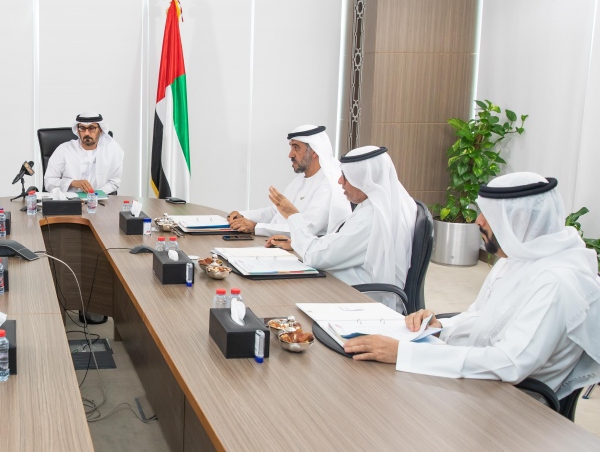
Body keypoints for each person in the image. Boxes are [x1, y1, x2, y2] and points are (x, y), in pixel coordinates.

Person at [344, 173, 600, 398]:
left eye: (489, 214)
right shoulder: (515, 260)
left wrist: (403, 353)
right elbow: (480, 318)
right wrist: (440, 327)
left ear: (518, 220)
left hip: (513, 404)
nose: (478, 221)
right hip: (479, 383)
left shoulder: (557, 282)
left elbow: (509, 363)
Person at [266, 146, 416, 288]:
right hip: (352, 284)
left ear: (364, 180)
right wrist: (297, 244)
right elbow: (337, 244)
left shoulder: (370, 218)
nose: (340, 181)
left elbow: (317, 257)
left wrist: (292, 215)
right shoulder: (384, 206)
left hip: (361, 295)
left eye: (346, 177)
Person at [227, 125, 350, 236]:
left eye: (296, 148)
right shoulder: (299, 181)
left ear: (314, 152)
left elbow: (306, 229)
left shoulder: (328, 185)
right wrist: (243, 216)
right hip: (278, 242)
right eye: (291, 148)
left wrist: (255, 227)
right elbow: (276, 212)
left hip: (299, 250)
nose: (290, 155)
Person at [43, 112, 125, 195]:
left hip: (100, 199)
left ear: (100, 130)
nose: (86, 133)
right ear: (77, 130)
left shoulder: (113, 150)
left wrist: (94, 195)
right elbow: (49, 182)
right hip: (69, 199)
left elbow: (114, 182)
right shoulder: (64, 149)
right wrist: (72, 183)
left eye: (91, 128)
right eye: (82, 128)